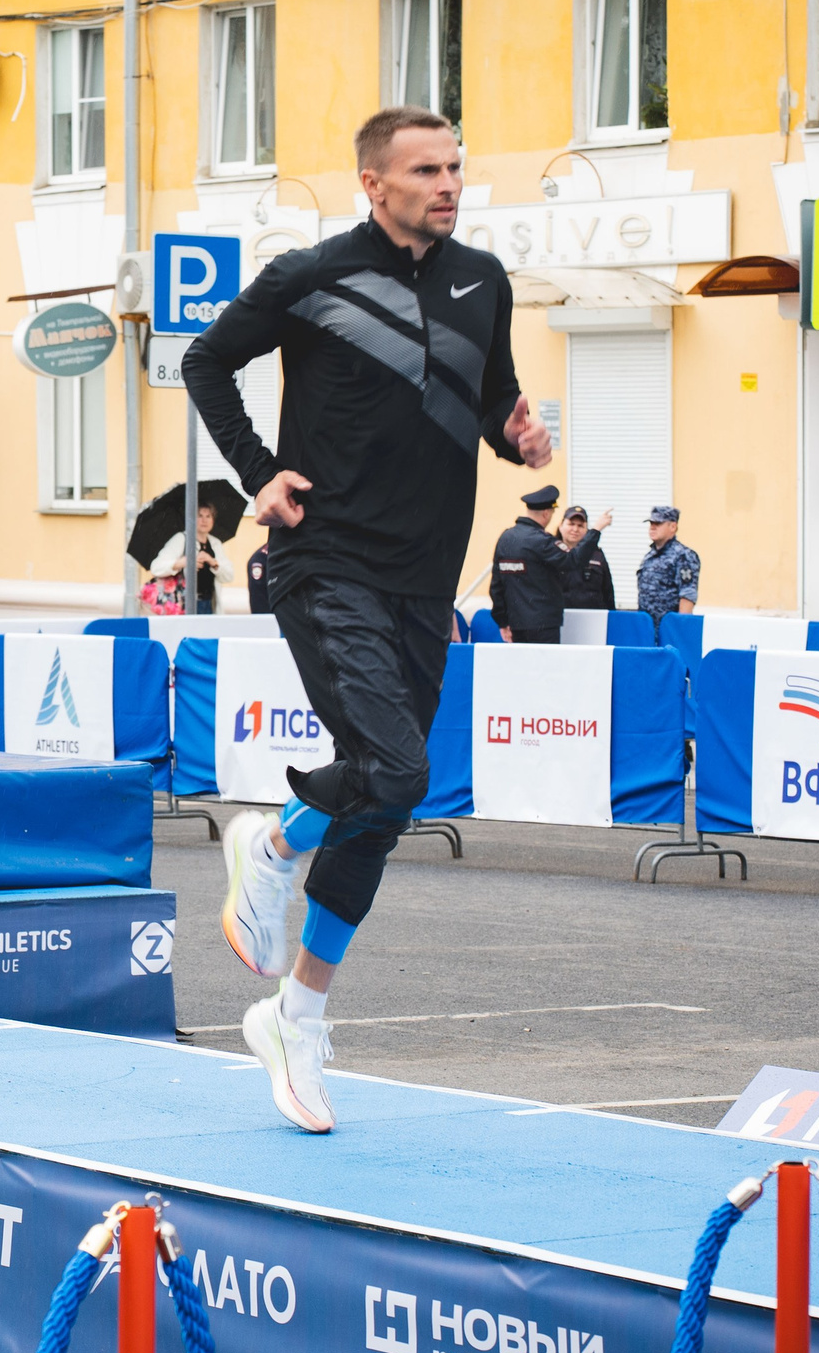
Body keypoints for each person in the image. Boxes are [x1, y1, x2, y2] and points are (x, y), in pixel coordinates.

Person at [185, 105, 554, 1134]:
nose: (448, 183)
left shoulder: (483, 277)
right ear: (371, 183)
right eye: (426, 169)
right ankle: (270, 842)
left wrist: (518, 436)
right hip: (324, 557)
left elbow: (491, 402)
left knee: (385, 807)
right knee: (394, 770)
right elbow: (205, 363)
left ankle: (294, 1014)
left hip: (424, 576)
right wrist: (260, 477)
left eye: (455, 167)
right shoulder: (308, 277)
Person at [487, 484, 566, 644]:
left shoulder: (506, 539)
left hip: (516, 625)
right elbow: (573, 561)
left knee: (521, 669)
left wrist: (502, 621)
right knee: (546, 668)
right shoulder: (541, 540)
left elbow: (497, 586)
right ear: (546, 513)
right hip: (544, 626)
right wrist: (596, 531)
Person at [148, 503, 229, 615]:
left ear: (213, 520)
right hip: (184, 604)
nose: (204, 520)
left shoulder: (215, 543)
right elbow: (156, 567)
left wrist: (213, 562)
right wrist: (183, 562)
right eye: (199, 516)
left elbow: (229, 576)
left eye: (208, 516)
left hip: (209, 603)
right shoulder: (181, 539)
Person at [635, 505, 700, 620]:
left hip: (667, 629)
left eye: (658, 524)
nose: (652, 528)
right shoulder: (650, 556)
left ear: (673, 527)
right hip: (646, 627)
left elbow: (687, 595)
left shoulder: (683, 555)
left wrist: (680, 627)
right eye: (651, 523)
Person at [550, 505, 616, 611]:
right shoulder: (551, 553)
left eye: (580, 526)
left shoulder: (597, 555)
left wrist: (611, 618)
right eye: (571, 524)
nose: (575, 529)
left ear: (586, 530)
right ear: (560, 526)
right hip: (558, 618)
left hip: (592, 619)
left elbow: (607, 591)